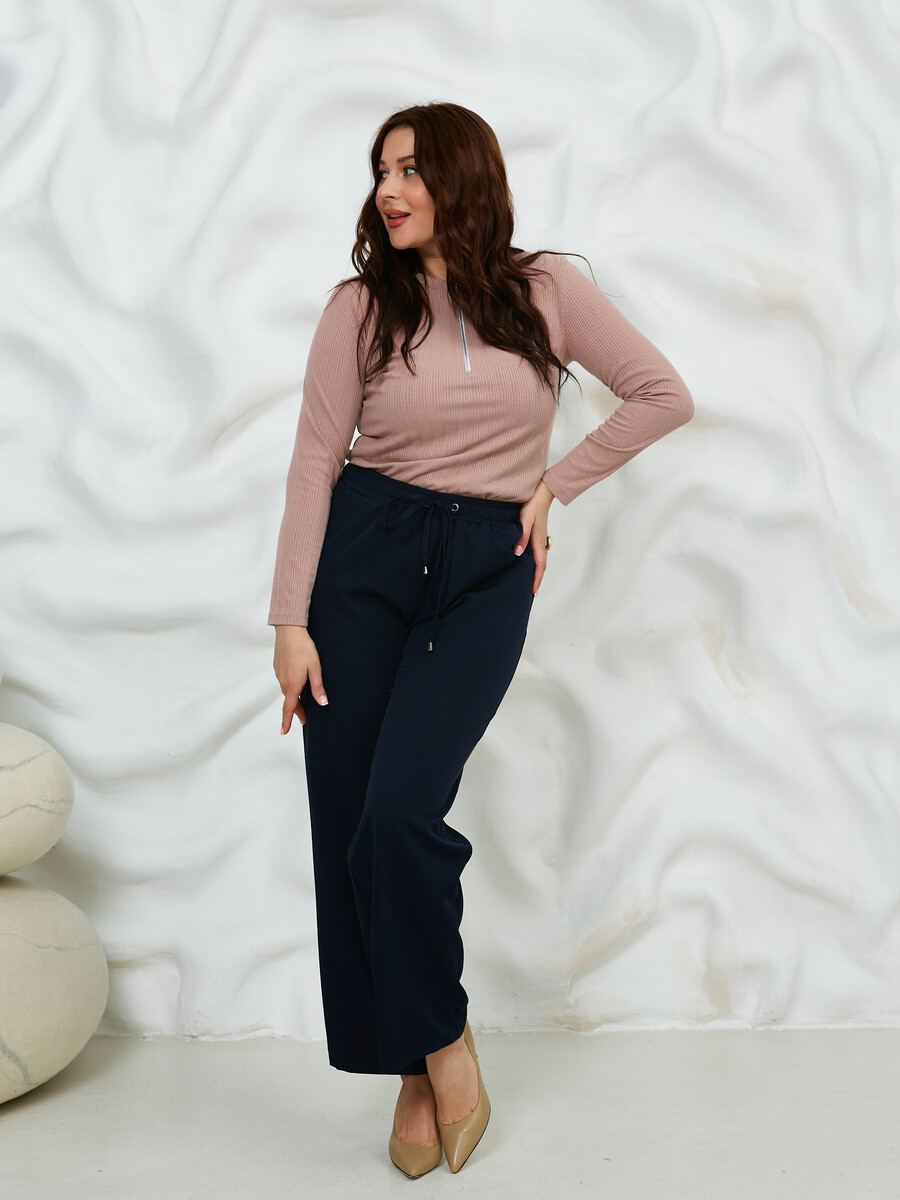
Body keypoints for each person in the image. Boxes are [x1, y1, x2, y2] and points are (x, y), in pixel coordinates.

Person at [269, 102, 694, 1178]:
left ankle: (440, 1033)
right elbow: (316, 459)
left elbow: (662, 394)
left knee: (401, 814)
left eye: (411, 168)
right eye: (380, 171)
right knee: (350, 823)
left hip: (486, 567)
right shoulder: (360, 307)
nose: (388, 190)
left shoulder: (546, 290)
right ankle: (424, 1059)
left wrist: (557, 483)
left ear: (464, 175)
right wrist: (288, 620)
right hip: (364, 560)